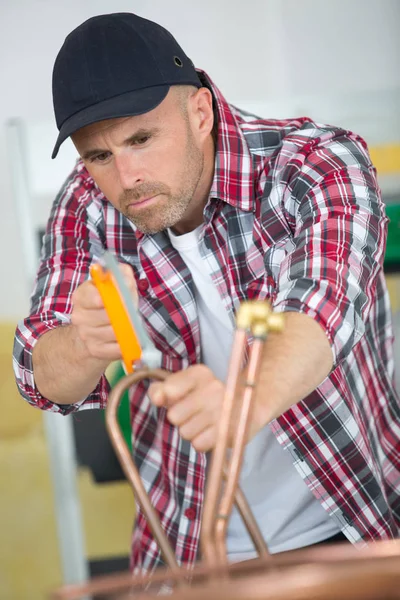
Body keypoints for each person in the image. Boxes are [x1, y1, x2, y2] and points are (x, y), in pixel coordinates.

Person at [13, 12, 400, 573]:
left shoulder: (315, 166)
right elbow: (37, 373)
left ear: (200, 112)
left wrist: (236, 405)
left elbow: (322, 309)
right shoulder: (87, 207)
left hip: (358, 528)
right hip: (186, 558)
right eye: (98, 156)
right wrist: (84, 342)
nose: (126, 178)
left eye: (141, 139)